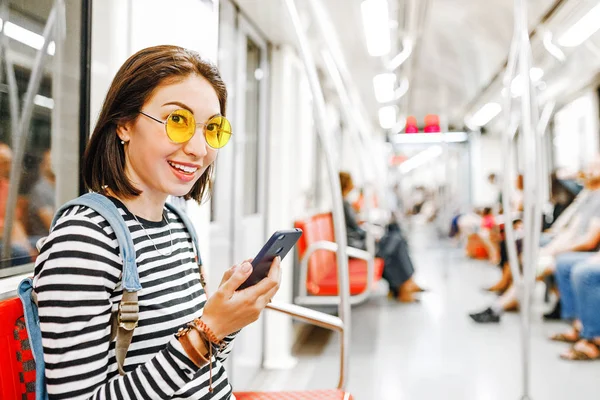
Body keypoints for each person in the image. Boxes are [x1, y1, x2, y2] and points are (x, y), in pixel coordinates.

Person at [33, 45, 280, 399]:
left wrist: (227, 320)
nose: (198, 148)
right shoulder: (86, 238)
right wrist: (208, 328)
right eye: (177, 121)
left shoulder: (178, 225)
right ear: (124, 124)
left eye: (211, 128)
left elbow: (200, 368)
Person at [339, 171, 423, 302]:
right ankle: (405, 284)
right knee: (396, 241)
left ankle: (404, 285)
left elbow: (351, 228)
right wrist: (371, 235)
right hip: (356, 246)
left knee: (396, 241)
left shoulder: (344, 204)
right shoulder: (344, 205)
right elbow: (354, 231)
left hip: (357, 242)